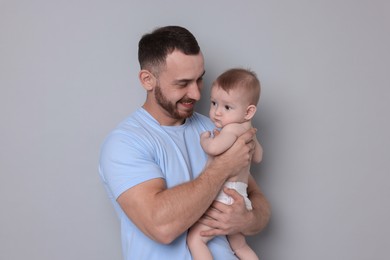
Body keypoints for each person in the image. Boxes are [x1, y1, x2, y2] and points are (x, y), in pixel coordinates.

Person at [99, 25, 270, 260]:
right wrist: (222, 166)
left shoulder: (215, 129)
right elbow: (162, 227)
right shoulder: (124, 143)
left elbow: (256, 198)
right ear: (148, 80)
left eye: (199, 80)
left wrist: (246, 219)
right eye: (183, 83)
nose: (197, 94)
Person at [187, 68, 263, 260]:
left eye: (227, 107)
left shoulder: (231, 130)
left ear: (249, 111)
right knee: (240, 245)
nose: (217, 113)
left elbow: (213, 148)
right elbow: (258, 157)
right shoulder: (250, 133)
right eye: (214, 103)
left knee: (195, 239)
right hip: (240, 197)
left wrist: (205, 139)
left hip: (223, 196)